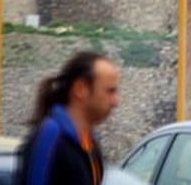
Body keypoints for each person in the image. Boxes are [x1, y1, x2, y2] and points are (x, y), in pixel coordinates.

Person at [18, 51, 121, 185]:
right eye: (110, 91)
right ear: (80, 89)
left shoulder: (89, 144)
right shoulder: (50, 138)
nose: (116, 101)